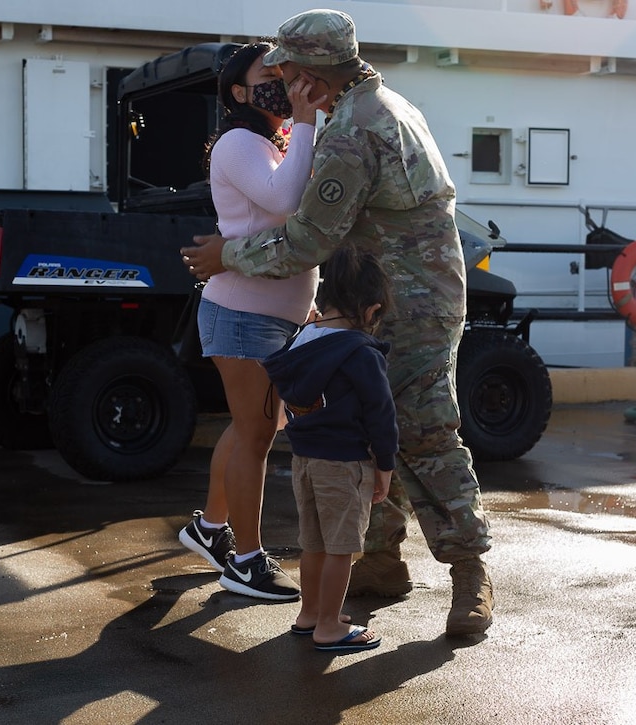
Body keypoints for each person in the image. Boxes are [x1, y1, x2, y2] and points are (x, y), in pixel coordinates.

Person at [179, 8, 494, 635]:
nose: (282, 79)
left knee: (425, 430)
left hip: (411, 303)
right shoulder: (385, 103)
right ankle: (378, 560)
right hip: (391, 294)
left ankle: (469, 576)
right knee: (365, 426)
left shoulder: (354, 128)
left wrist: (224, 256)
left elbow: (307, 239)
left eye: (287, 69)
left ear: (313, 72)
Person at [176, 41, 329, 601]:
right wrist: (310, 119)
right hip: (243, 311)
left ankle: (209, 528)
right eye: (269, 74)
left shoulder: (270, 140)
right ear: (239, 92)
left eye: (283, 71)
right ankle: (244, 561)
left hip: (270, 312)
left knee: (251, 430)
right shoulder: (241, 141)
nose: (282, 80)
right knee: (257, 435)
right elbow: (286, 201)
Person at [262, 246, 397, 653]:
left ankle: (310, 614)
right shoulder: (359, 352)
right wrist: (385, 465)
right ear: (370, 311)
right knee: (342, 550)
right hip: (345, 464)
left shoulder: (303, 339)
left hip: (304, 460)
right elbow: (381, 413)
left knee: (314, 545)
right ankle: (328, 627)